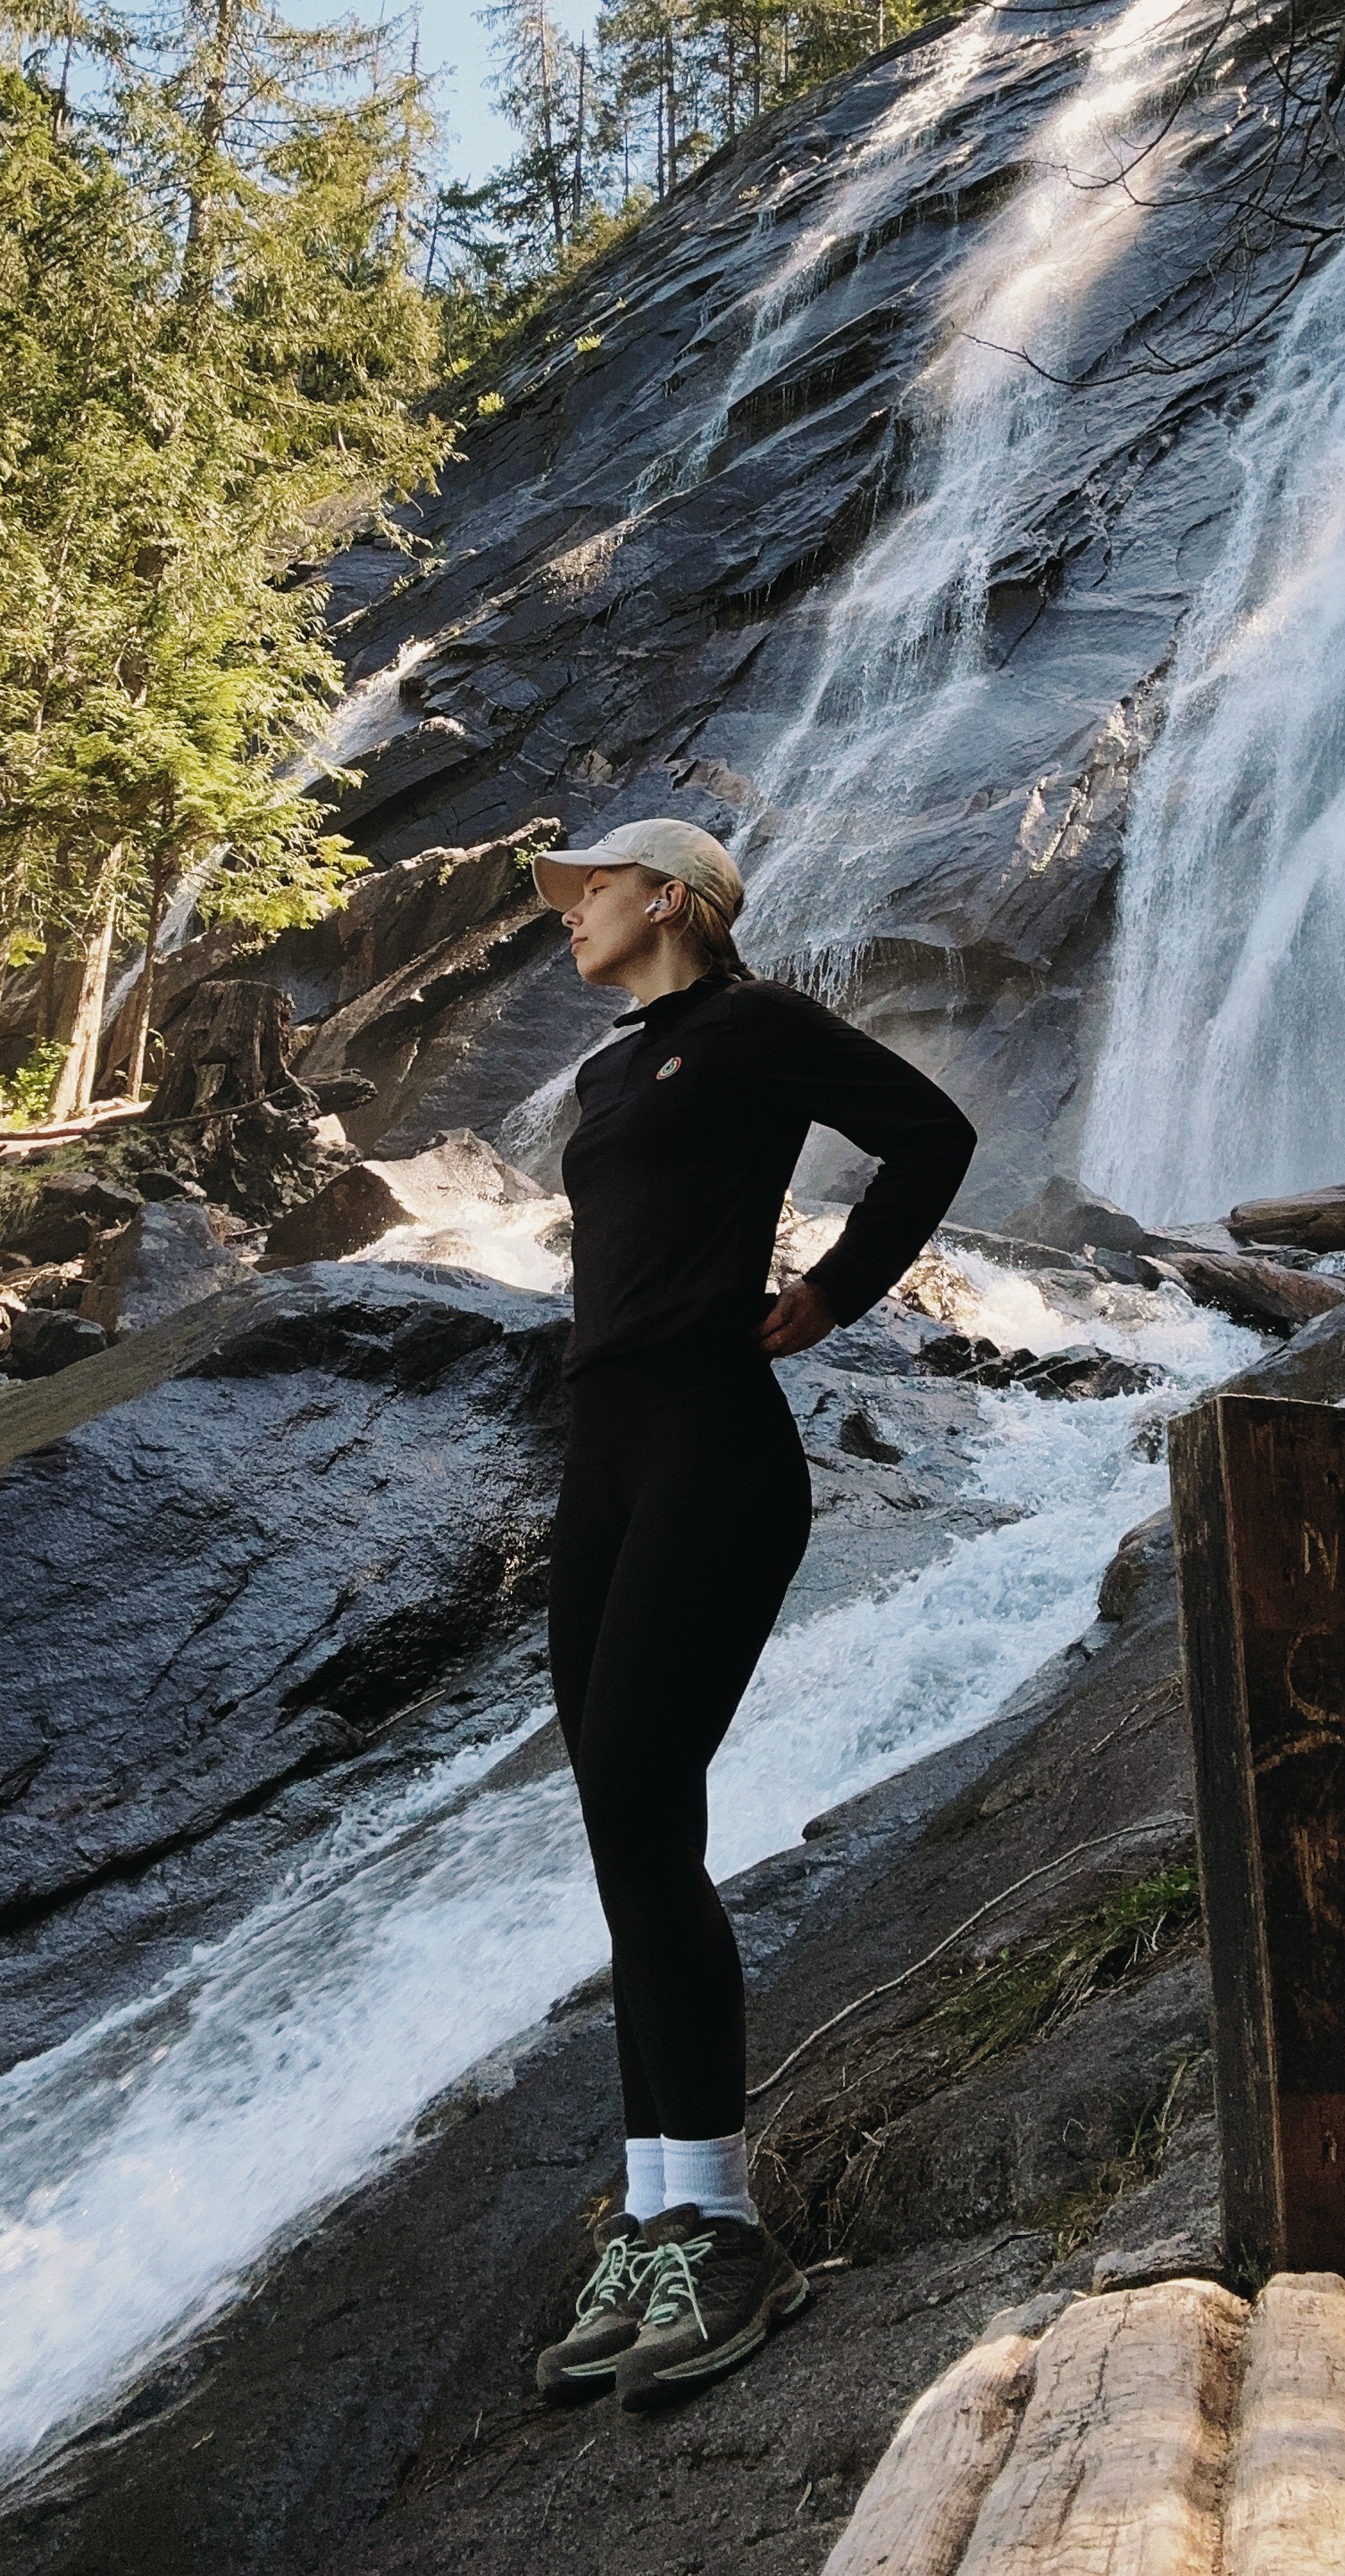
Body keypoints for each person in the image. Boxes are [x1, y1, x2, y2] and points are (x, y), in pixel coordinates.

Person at [526, 818, 973, 2412]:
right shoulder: (606, 1076)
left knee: (645, 1816)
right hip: (607, 1454)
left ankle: (723, 2229)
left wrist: (837, 1291)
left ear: (670, 898)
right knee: (613, 1828)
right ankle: (652, 2215)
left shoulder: (755, 1024)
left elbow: (928, 1134)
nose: (567, 912)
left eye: (589, 888)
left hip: (717, 1443)